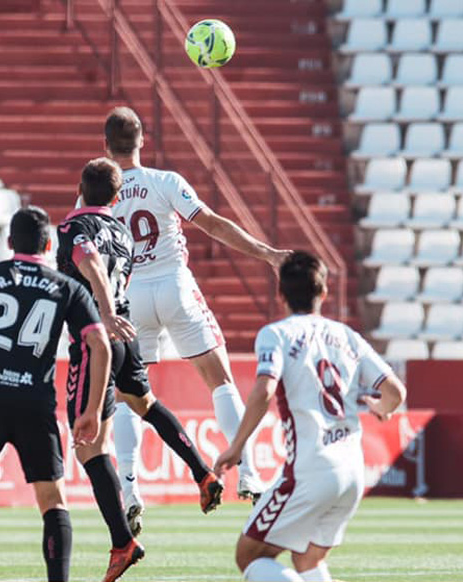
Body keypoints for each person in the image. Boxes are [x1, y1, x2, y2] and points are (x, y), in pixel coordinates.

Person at [102, 106, 291, 523]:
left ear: (106, 145)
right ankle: (248, 473)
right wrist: (268, 254)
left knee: (129, 395)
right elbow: (213, 224)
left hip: (129, 296)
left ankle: (130, 488)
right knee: (219, 379)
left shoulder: (98, 190)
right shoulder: (165, 182)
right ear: (142, 140)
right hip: (174, 286)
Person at [56, 158, 225, 580]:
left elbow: (89, 263)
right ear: (116, 199)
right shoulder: (122, 232)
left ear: (80, 188)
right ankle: (201, 471)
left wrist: (105, 315)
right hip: (127, 336)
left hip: (97, 336)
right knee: (144, 402)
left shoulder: (71, 228)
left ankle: (122, 542)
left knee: (88, 444)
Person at [0, 206, 113, 582]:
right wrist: (93, 409)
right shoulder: (67, 287)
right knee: (52, 501)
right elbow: (101, 344)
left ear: (8, 242)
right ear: (49, 245)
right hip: (34, 401)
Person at [213, 251, 407, 582]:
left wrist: (236, 446)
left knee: (249, 556)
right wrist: (382, 409)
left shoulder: (276, 334)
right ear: (323, 293)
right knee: (306, 561)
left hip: (311, 469)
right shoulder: (347, 336)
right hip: (351, 472)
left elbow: (264, 390)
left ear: (281, 294)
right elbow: (395, 392)